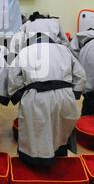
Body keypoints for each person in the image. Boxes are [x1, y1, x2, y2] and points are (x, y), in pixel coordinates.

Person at [8, 33, 86, 166]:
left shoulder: (25, 51)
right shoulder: (63, 49)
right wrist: (75, 93)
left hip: (36, 96)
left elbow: (13, 77)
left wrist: (20, 92)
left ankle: (34, 161)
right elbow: (80, 74)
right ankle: (58, 155)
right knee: (60, 127)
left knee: (35, 130)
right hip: (64, 94)